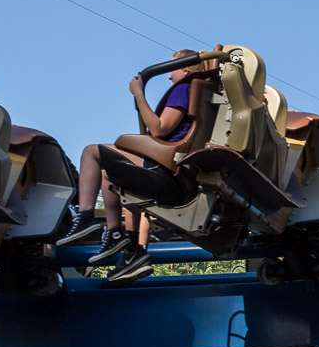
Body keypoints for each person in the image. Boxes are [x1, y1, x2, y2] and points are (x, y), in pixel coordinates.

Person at [58, 49, 207, 282]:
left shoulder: (183, 89)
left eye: (173, 69)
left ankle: (85, 218)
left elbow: (159, 128)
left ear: (186, 69)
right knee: (110, 174)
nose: (169, 76)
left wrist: (139, 94)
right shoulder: (201, 91)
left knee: (91, 152)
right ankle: (122, 240)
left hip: (165, 170)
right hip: (175, 173)